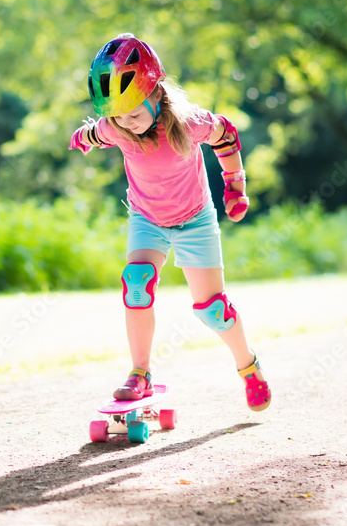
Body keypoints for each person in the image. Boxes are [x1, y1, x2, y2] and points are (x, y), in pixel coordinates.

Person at [68, 32, 270, 412]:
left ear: (156, 94)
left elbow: (226, 135)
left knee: (212, 309)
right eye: (118, 117)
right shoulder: (116, 127)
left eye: (133, 113)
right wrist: (83, 136)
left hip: (195, 219)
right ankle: (140, 373)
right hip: (147, 218)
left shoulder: (189, 122)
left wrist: (235, 186)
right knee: (136, 282)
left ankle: (248, 367)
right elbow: (97, 133)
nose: (127, 123)